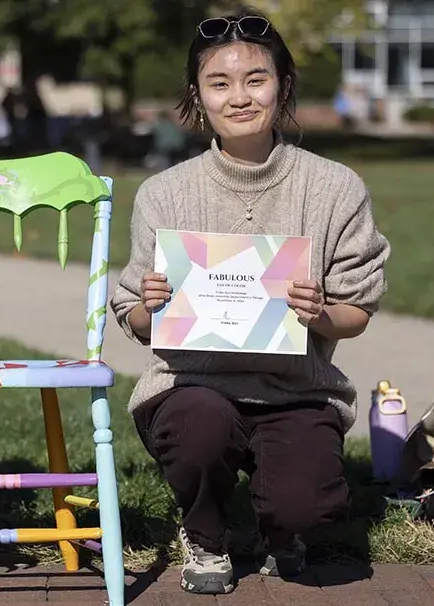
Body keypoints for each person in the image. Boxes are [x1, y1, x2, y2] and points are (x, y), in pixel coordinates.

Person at [109, 7, 391, 596]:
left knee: (307, 509)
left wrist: (321, 314)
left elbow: (356, 311)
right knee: (198, 425)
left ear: (282, 85)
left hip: (295, 387)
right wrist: (151, 305)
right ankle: (206, 534)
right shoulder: (165, 193)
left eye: (256, 79)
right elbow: (134, 316)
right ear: (198, 96)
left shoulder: (335, 187)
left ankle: (280, 530)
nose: (239, 97)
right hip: (192, 386)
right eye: (220, 83)